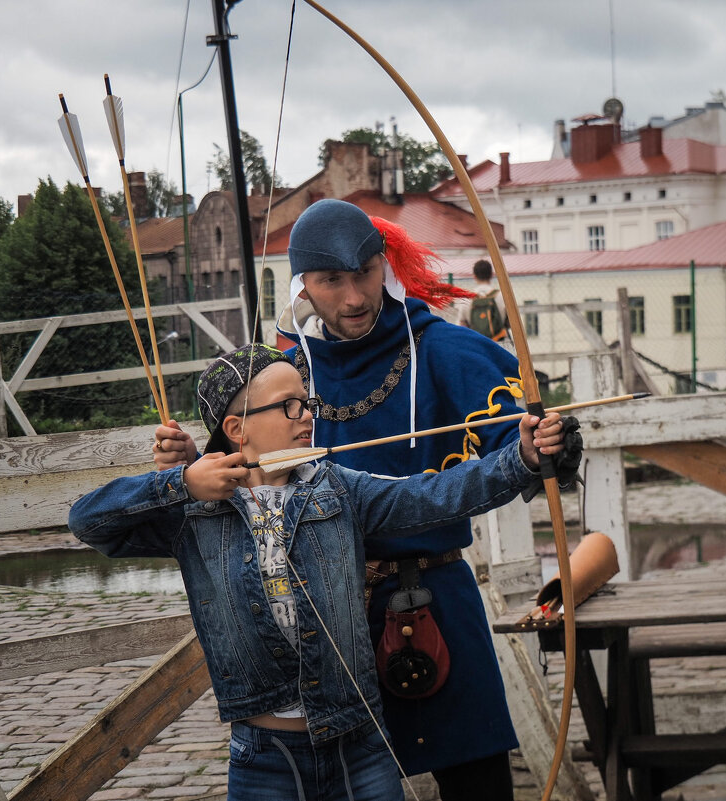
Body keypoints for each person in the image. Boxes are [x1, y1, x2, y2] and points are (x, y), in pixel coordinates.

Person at [153, 199, 581, 801]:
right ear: (304, 284)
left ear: (386, 266)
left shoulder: (441, 351)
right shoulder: (290, 376)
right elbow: (249, 471)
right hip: (329, 623)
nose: (353, 297)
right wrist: (190, 467)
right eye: (332, 280)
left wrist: (541, 447)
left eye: (365, 274)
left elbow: (517, 437)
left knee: (476, 783)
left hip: (434, 601)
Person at [72, 343, 572, 801]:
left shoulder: (336, 488)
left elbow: (431, 497)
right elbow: (89, 522)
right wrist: (178, 484)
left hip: (359, 744)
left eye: (305, 402)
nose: (306, 414)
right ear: (237, 428)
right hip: (262, 756)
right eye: (287, 406)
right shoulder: (197, 511)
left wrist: (522, 458)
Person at [457, 258, 509, 343]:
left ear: (474, 276)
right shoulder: (502, 296)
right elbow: (509, 322)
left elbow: (462, 324)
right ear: (491, 274)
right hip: (499, 343)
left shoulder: (468, 298)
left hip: (477, 344)